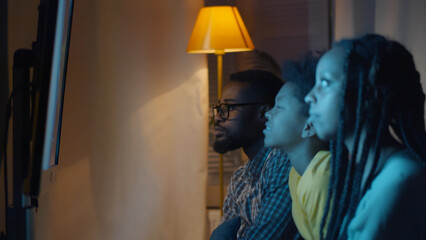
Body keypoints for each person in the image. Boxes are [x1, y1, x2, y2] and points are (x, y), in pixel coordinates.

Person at [305, 34, 426, 239]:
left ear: (369, 95)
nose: (309, 96)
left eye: (325, 83)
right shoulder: (363, 172)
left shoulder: (400, 178)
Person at [210, 69, 299, 239]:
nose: (218, 118)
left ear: (263, 113)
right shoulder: (240, 178)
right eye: (219, 108)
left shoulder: (282, 161)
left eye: (228, 107)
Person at [263, 52, 331, 240]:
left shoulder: (320, 177)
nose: (268, 114)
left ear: (308, 126)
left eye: (279, 107)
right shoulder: (296, 173)